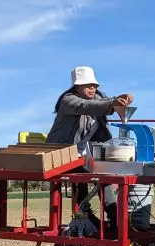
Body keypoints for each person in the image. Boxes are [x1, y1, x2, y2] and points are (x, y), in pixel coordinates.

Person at [46, 66, 134, 233]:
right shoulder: (68, 101)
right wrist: (113, 103)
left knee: (104, 176)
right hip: (61, 153)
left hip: (80, 153)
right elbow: (88, 106)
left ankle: (116, 218)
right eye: (87, 85)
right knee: (81, 174)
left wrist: (122, 99)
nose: (92, 88)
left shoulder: (99, 98)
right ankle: (85, 214)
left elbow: (104, 102)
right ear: (76, 87)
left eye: (94, 85)